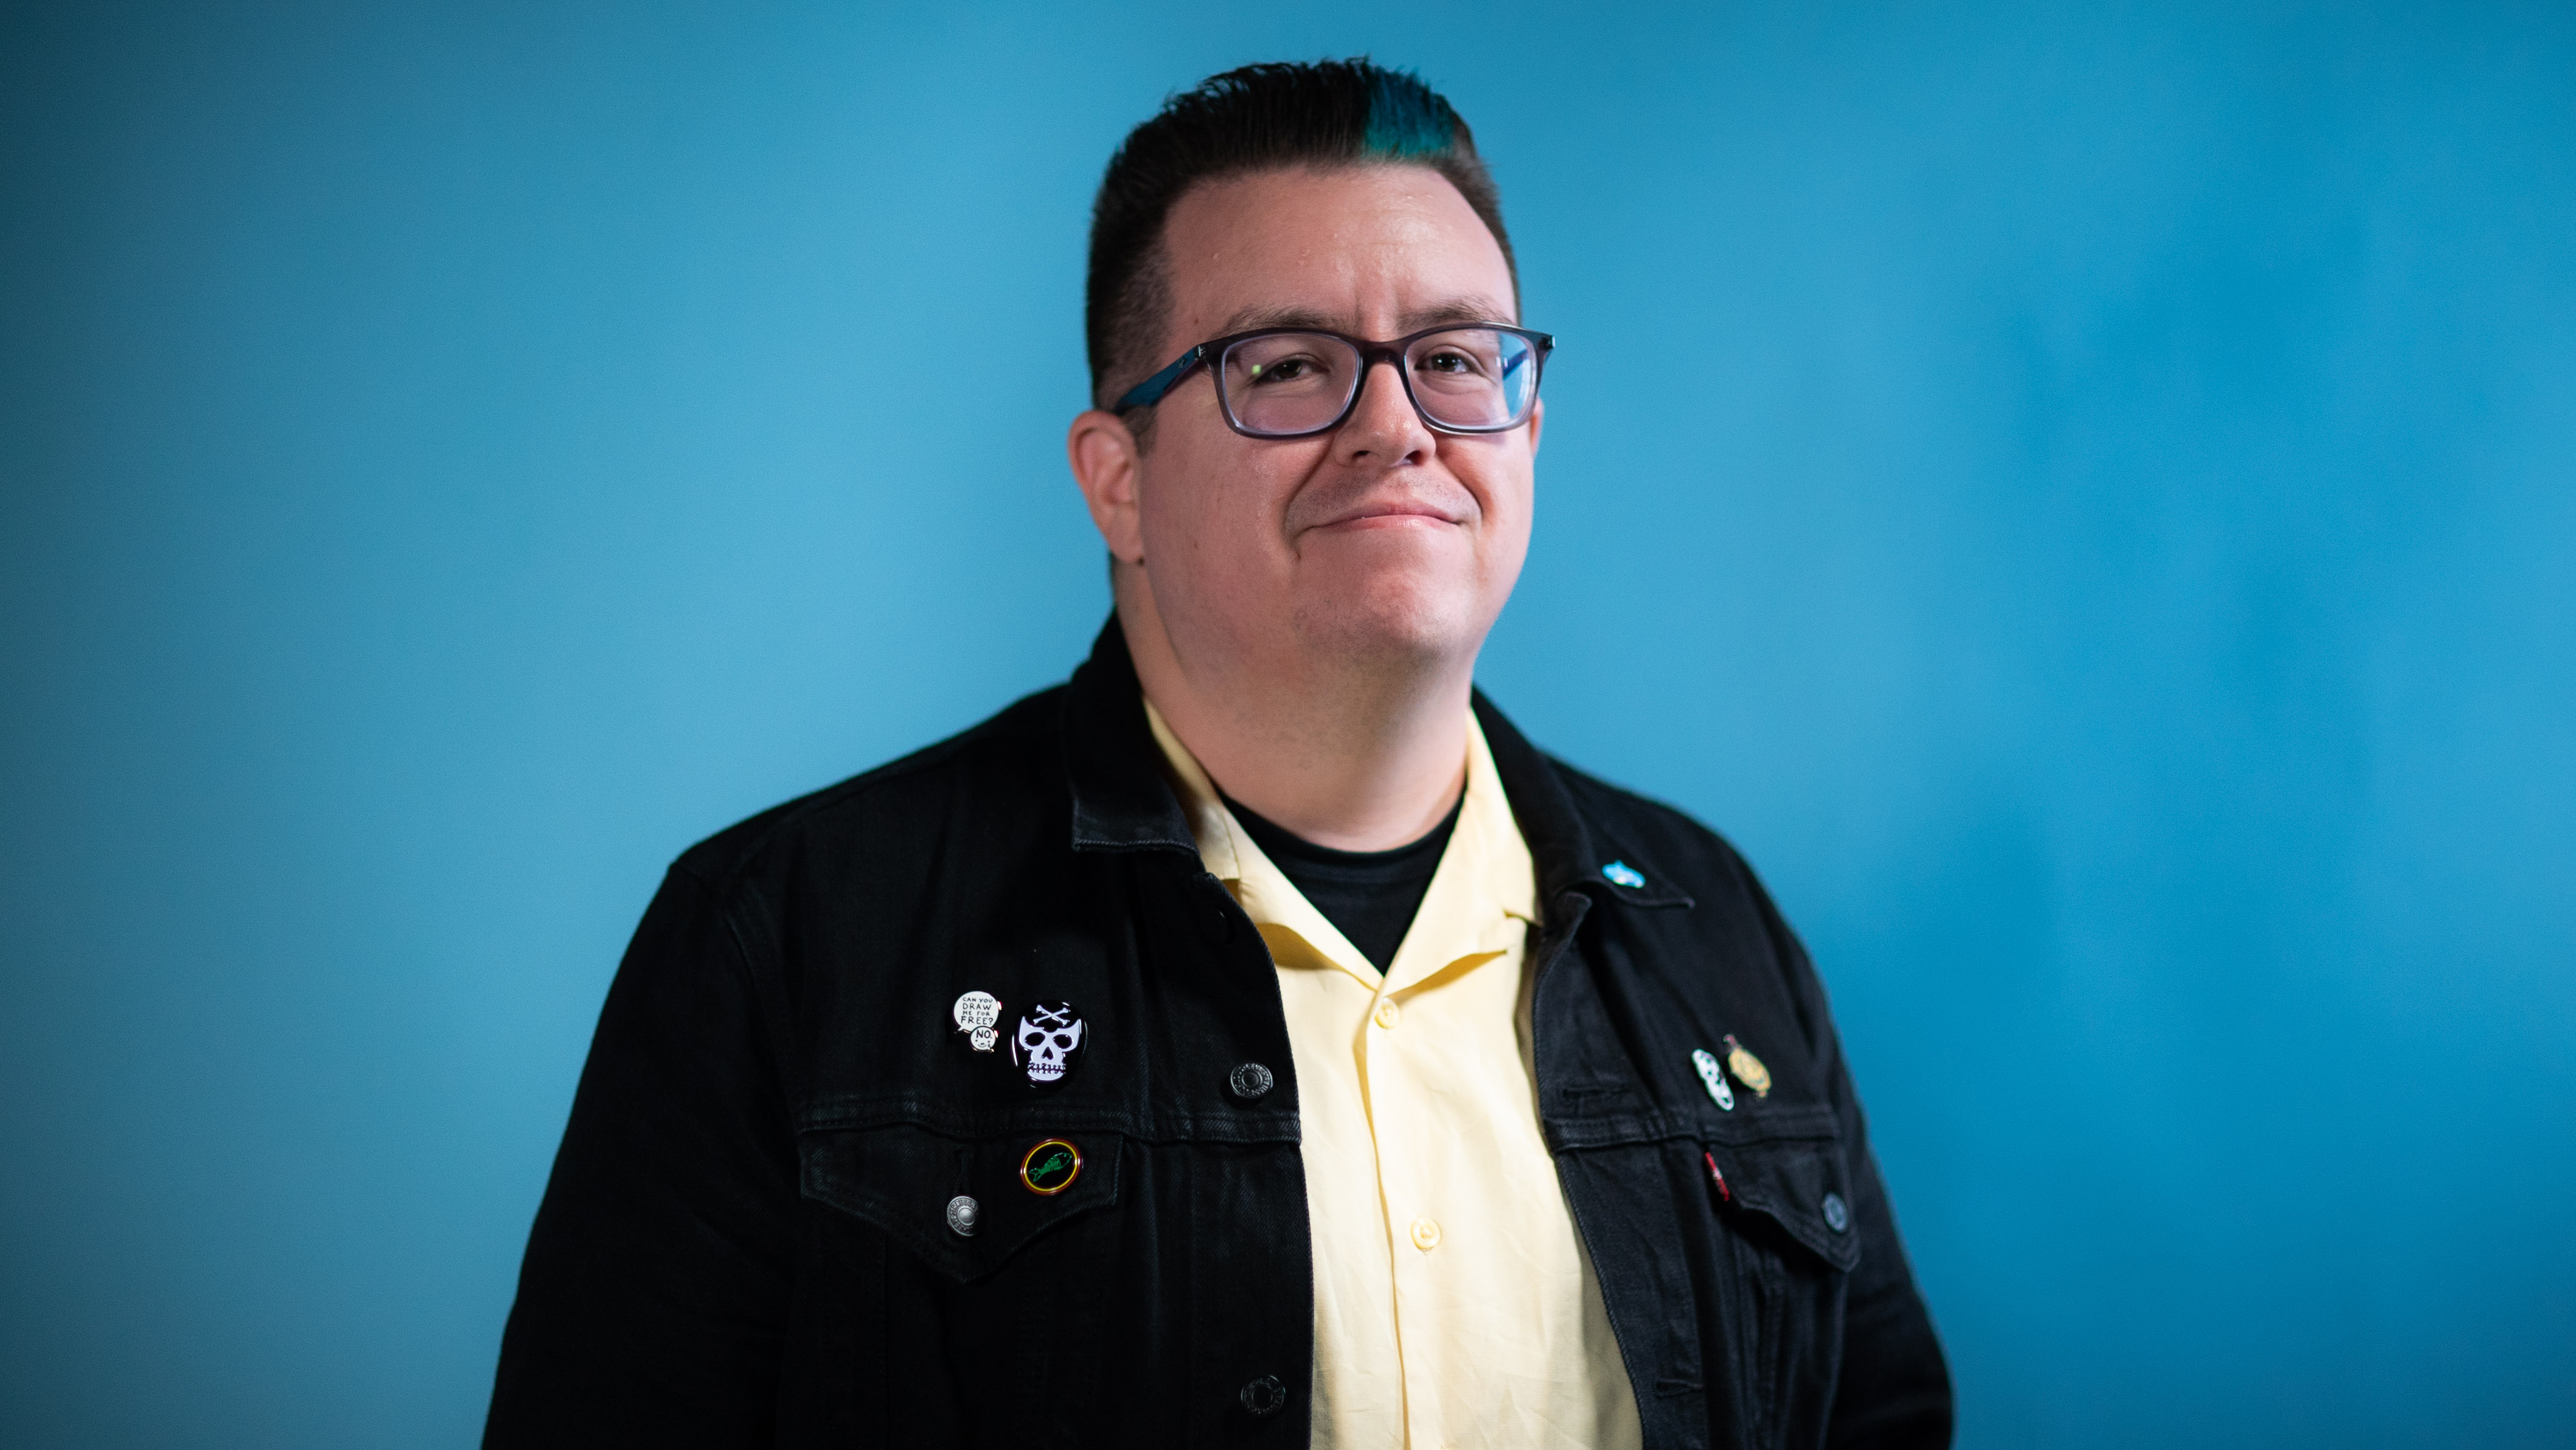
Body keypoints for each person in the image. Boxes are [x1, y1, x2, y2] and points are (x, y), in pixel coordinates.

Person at [485, 58, 1951, 1449]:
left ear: (1526, 425)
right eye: (1291, 367)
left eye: (1451, 358)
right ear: (1116, 482)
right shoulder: (785, 943)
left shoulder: (1709, 934)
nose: (1397, 429)